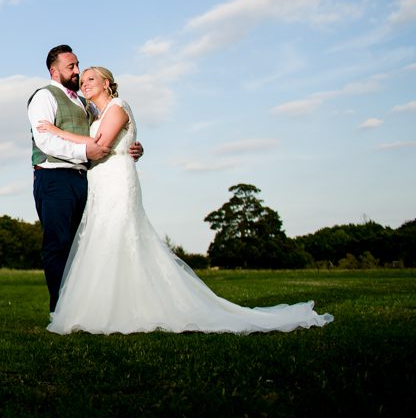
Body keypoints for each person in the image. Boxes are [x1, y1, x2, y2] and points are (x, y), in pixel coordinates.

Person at [37, 65, 334, 334]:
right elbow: (105, 144)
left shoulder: (117, 107)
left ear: (107, 84)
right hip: (100, 182)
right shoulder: (98, 114)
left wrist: (56, 131)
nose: (85, 83)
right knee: (102, 239)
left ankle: (134, 309)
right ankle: (103, 308)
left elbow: (100, 146)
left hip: (117, 182)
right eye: (82, 78)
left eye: (91, 79)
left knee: (122, 236)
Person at [26, 44, 141, 312]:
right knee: (58, 244)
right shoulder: (44, 96)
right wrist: (85, 150)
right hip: (54, 177)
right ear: (54, 71)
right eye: (71, 67)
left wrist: (133, 146)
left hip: (85, 178)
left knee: (83, 245)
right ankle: (59, 309)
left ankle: (83, 306)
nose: (77, 71)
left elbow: (113, 133)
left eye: (78, 65)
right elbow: (45, 139)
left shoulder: (84, 104)